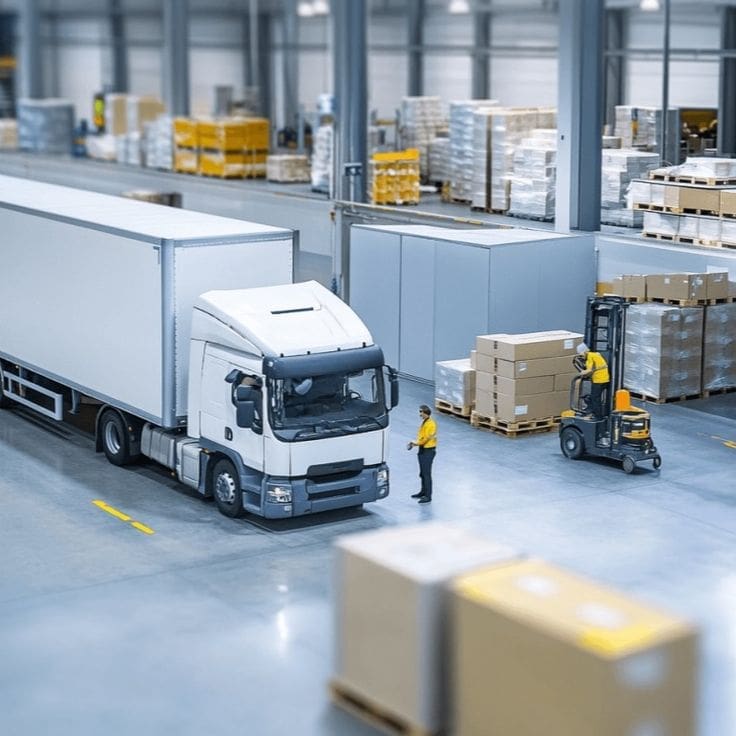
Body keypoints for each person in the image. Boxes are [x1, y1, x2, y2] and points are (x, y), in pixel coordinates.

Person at [408, 404, 437, 504]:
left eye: (421, 412)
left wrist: (415, 443)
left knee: (426, 474)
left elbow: (426, 439)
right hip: (423, 450)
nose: (420, 414)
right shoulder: (425, 422)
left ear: (426, 413)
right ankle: (423, 492)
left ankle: (428, 496)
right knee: (422, 473)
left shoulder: (431, 424)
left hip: (428, 451)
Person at [576, 343, 610, 419]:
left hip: (599, 380)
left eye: (581, 354)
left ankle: (598, 416)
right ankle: (593, 411)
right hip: (604, 379)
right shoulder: (595, 355)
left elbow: (589, 370)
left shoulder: (590, 356)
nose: (581, 356)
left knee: (595, 398)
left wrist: (581, 373)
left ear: (585, 351)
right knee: (594, 397)